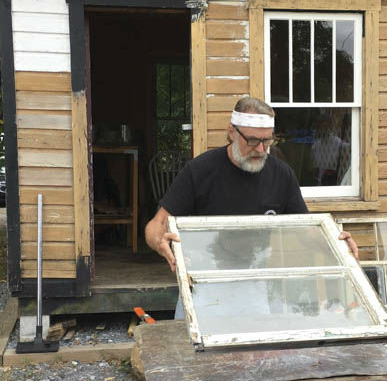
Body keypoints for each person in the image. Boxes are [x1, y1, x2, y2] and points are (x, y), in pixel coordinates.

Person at [145, 97, 358, 273]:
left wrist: (336, 244)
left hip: (257, 277)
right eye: (253, 140)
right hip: (201, 277)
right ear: (231, 132)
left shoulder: (282, 175)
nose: (261, 149)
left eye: (267, 141)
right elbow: (156, 225)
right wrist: (159, 241)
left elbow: (305, 230)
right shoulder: (200, 170)